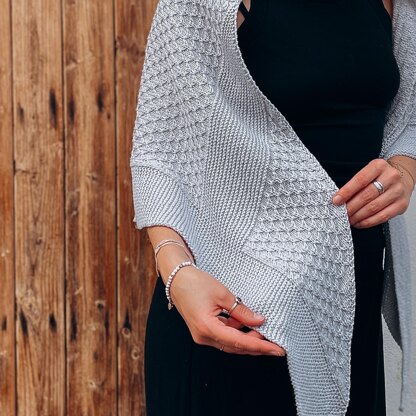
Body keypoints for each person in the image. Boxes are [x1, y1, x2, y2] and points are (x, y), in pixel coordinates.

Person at [130, 1, 416, 415]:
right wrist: (177, 273)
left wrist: (404, 171)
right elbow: (160, 149)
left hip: (347, 312)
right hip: (232, 314)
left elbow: (407, 116)